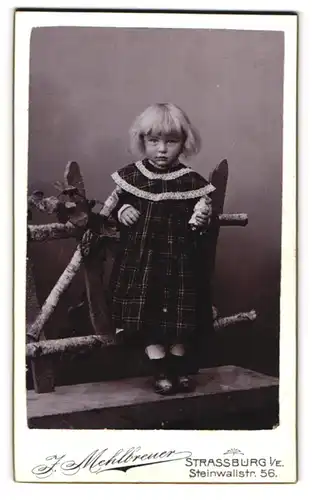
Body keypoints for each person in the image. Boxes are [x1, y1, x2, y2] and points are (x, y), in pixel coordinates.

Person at [109, 103, 215, 395]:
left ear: (184, 143)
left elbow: (203, 208)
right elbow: (111, 207)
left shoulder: (190, 180)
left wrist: (201, 215)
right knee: (148, 312)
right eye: (153, 141)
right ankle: (160, 370)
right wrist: (123, 209)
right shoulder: (131, 177)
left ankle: (178, 366)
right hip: (143, 263)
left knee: (181, 315)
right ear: (142, 141)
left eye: (171, 141)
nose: (161, 150)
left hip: (180, 261)